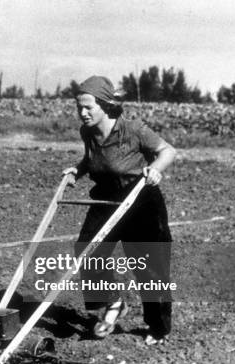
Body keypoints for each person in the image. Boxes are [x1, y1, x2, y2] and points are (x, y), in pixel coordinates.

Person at [64, 75, 176, 345]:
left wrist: (155, 170)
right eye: (79, 107)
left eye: (89, 107)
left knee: (151, 266)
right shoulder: (87, 132)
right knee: (88, 250)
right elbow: (92, 160)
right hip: (106, 198)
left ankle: (158, 328)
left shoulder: (133, 129)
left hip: (140, 199)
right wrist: (76, 171)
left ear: (104, 105)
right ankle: (113, 301)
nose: (83, 112)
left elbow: (167, 150)